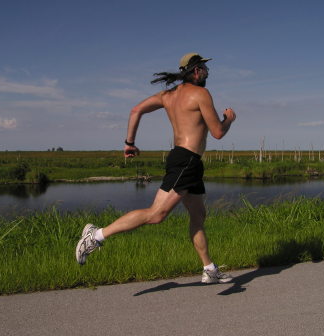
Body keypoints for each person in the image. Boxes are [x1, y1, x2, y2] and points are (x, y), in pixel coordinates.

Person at [75, 53, 237, 283]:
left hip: (186, 160)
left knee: (198, 215)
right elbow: (218, 132)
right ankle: (97, 235)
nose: (207, 73)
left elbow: (135, 110)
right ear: (197, 71)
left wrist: (129, 143)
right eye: (205, 69)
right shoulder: (201, 94)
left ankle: (209, 269)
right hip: (187, 162)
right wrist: (229, 118)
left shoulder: (167, 96)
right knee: (156, 214)